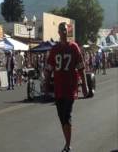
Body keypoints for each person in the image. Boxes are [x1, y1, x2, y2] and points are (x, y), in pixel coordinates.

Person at [44, 22, 88, 152]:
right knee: (62, 117)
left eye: (65, 29)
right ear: (58, 32)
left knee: (67, 115)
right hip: (58, 89)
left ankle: (68, 145)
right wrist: (46, 85)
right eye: (61, 29)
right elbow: (48, 69)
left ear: (67, 32)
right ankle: (66, 142)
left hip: (70, 88)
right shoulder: (54, 49)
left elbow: (81, 68)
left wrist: (85, 86)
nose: (63, 31)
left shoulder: (74, 47)